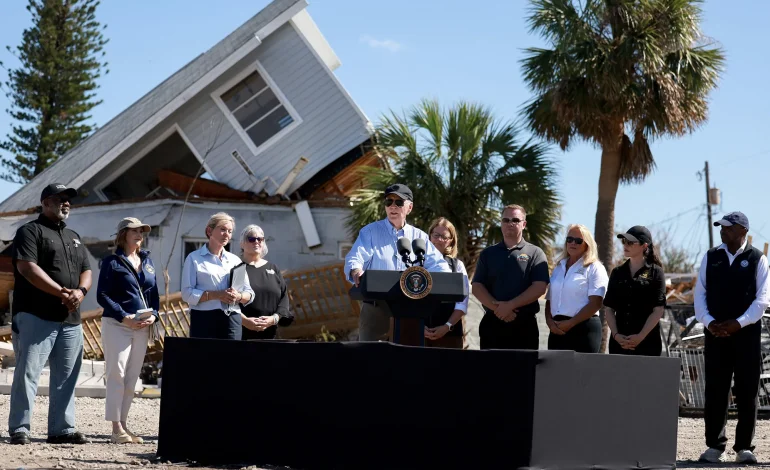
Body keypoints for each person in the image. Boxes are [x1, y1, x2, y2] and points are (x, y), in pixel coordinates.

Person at [8, 184, 92, 445]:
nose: (66, 203)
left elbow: (87, 270)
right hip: (35, 315)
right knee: (28, 373)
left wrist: (81, 291)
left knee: (66, 375)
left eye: (68, 200)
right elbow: (27, 268)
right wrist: (61, 293)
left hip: (70, 320)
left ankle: (61, 429)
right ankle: (20, 428)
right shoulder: (30, 231)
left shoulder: (74, 237)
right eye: (60, 199)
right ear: (45, 202)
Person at [694, 212, 769, 465]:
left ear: (742, 231)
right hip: (715, 334)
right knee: (716, 389)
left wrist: (738, 323)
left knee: (747, 390)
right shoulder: (711, 256)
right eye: (721, 227)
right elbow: (699, 295)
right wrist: (709, 322)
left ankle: (744, 448)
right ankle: (715, 446)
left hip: (746, 336)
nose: (723, 231)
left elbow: (762, 301)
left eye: (728, 228)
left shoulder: (758, 259)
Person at [345, 183, 451, 341]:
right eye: (389, 202)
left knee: (407, 363)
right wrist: (355, 270)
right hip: (375, 310)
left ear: (409, 207)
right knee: (370, 361)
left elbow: (441, 268)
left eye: (399, 202)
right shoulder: (370, 232)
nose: (392, 206)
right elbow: (356, 257)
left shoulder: (419, 237)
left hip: (412, 311)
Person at [97, 217, 160, 444]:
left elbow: (154, 294)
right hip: (117, 324)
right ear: (123, 234)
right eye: (134, 230)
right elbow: (102, 295)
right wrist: (124, 318)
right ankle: (115, 429)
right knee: (117, 373)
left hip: (143, 325)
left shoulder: (148, 261)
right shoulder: (111, 262)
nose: (139, 234)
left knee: (132, 377)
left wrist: (154, 315)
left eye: (142, 231)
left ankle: (123, 425)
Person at [472, 204, 549, 350]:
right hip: (492, 323)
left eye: (515, 220)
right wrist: (498, 309)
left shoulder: (535, 253)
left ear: (524, 224)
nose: (510, 224)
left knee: (524, 372)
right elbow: (477, 286)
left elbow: (540, 287)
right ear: (501, 223)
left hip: (524, 326)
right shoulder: (488, 254)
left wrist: (510, 306)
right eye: (506, 220)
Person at [181, 213, 254, 340]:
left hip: (232, 320)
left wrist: (239, 296)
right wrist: (217, 295)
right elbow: (187, 294)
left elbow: (249, 293)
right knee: (205, 359)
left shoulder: (235, 260)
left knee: (231, 359)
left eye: (230, 231)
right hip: (204, 320)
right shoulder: (194, 258)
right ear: (209, 230)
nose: (227, 234)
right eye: (223, 230)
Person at [544, 224, 608, 353]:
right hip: (557, 329)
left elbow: (596, 303)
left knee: (582, 373)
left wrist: (571, 323)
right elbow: (550, 300)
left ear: (587, 245)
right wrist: (550, 322)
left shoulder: (594, 267)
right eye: (569, 239)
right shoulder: (559, 267)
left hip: (584, 328)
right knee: (556, 372)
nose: (573, 243)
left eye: (578, 241)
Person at [604, 226, 666, 357]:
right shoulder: (617, 273)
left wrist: (640, 336)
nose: (625, 245)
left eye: (630, 242)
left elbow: (658, 309)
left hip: (648, 344)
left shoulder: (656, 272)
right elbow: (609, 308)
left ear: (644, 246)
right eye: (624, 242)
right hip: (619, 344)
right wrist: (616, 335)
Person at [238, 224, 293, 340]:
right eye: (251, 239)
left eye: (260, 239)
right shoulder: (238, 269)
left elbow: (284, 297)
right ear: (242, 243)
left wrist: (274, 319)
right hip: (242, 335)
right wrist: (245, 321)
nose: (256, 242)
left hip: (270, 334)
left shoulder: (273, 268)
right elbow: (229, 303)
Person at [424, 217, 469, 348]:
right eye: (436, 235)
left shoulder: (457, 266)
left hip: (450, 334)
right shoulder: (416, 264)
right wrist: (419, 327)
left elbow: (462, 302)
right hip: (419, 333)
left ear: (450, 241)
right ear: (430, 236)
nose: (439, 240)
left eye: (444, 237)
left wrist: (447, 326)